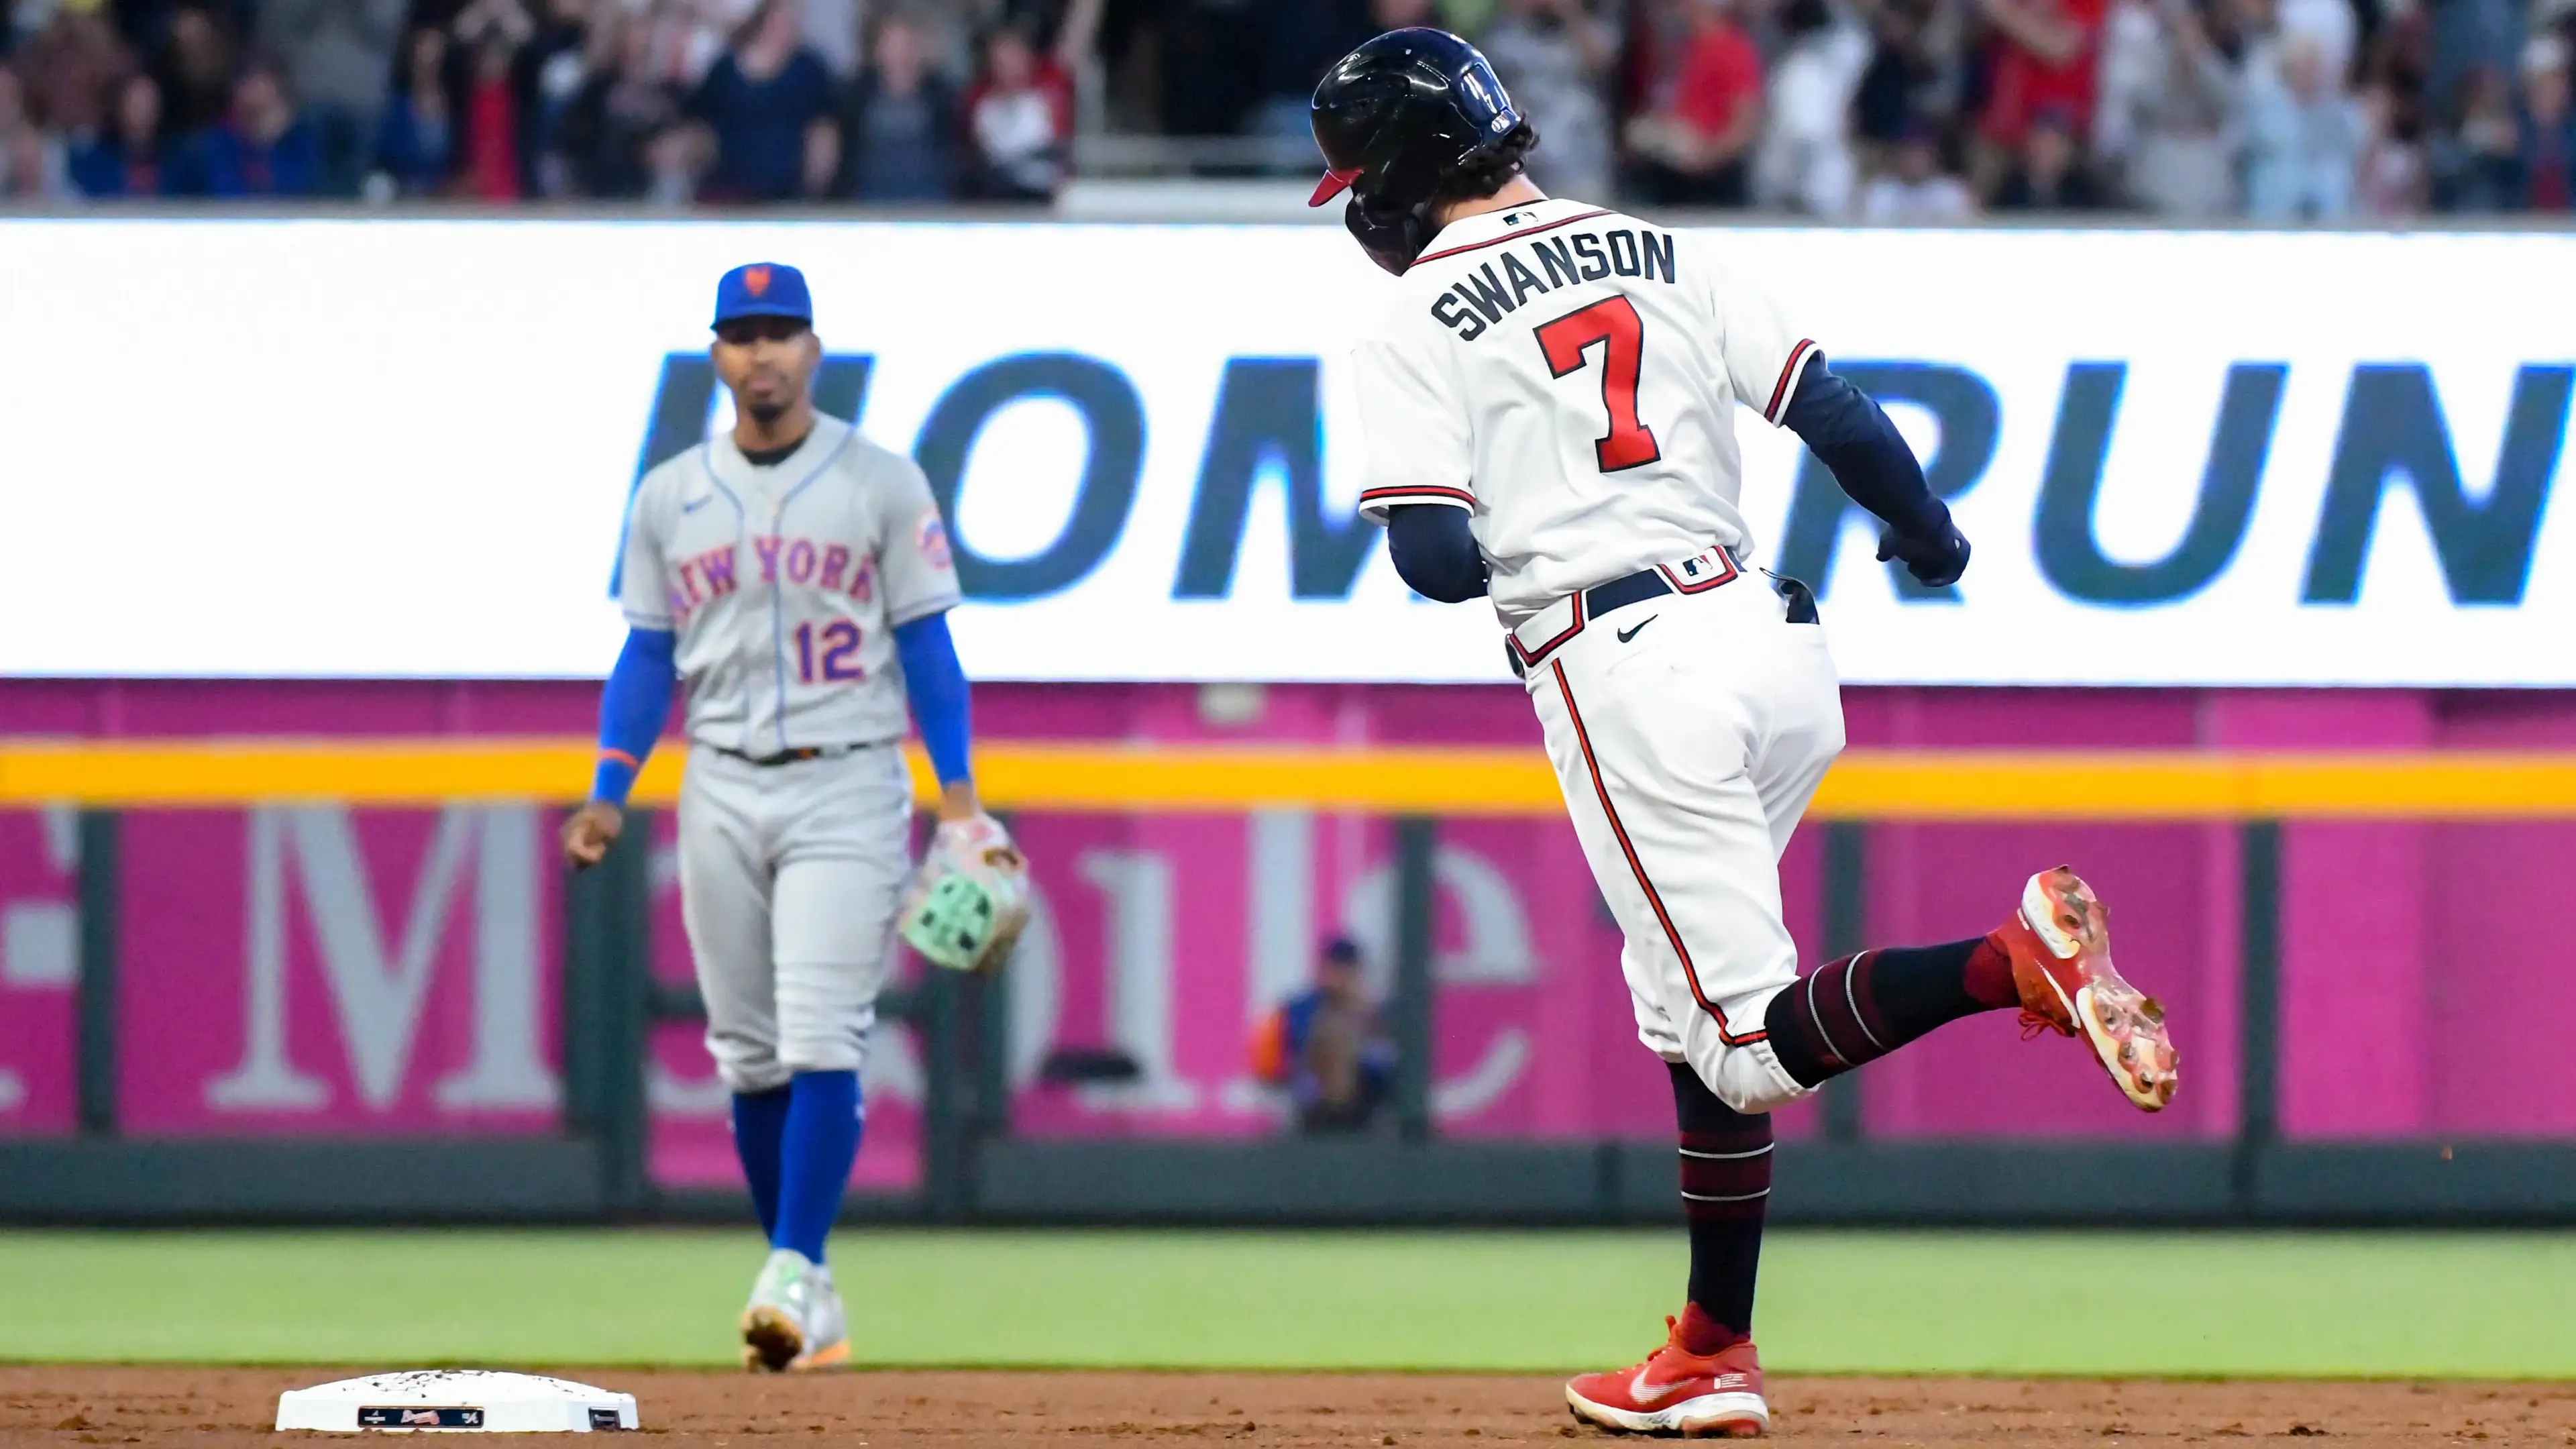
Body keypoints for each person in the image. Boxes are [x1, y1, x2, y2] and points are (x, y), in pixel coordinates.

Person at [1307, 28, 2178, 1436]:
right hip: (1772, 645)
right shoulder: (1654, 245)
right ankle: (1712, 1347)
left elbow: (1428, 559)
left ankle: (2011, 962)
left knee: (1740, 1041)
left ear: (1395, 169)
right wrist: (1933, 537)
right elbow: (1834, 413)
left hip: (1623, 663)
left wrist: (1526, 527)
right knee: (1685, 1007)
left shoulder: (1413, 314)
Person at [561, 262, 1027, 1373]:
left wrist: (959, 803)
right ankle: (804, 1282)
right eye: (743, 333)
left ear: (814, 349)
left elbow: (928, 645)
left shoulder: (878, 481)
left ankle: (787, 1267)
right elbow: (645, 650)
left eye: (781, 332)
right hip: (717, 775)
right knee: (749, 1054)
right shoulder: (669, 494)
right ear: (716, 355)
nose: (763, 352)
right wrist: (609, 789)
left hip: (848, 776)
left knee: (823, 1033)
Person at [688, 0, 839, 201]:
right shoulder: (724, 69)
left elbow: (823, 127)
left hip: (787, 191)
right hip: (728, 187)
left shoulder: (810, 68)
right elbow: (701, 123)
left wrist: (815, 185)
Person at [1251, 937, 1397, 1132]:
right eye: (1335, 968)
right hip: (1310, 1112)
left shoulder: (1376, 1014)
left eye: (1347, 969)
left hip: (1363, 1113)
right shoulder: (1299, 1010)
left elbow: (1384, 1067)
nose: (1340, 976)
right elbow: (1275, 1068)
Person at [836, 8, 962, 201]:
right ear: (877, 49)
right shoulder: (856, 93)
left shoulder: (941, 93)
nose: (899, 53)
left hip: (929, 195)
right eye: (892, 44)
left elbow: (951, 149)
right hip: (869, 196)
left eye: (906, 44)